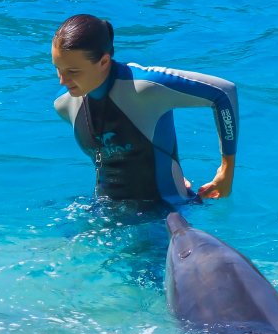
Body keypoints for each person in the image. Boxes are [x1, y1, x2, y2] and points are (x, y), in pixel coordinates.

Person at [51, 14, 238, 203]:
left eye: (73, 71)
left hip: (166, 213)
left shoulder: (145, 88)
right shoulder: (64, 104)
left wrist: (226, 171)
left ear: (104, 62)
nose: (62, 80)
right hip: (106, 212)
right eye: (58, 68)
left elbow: (223, 92)